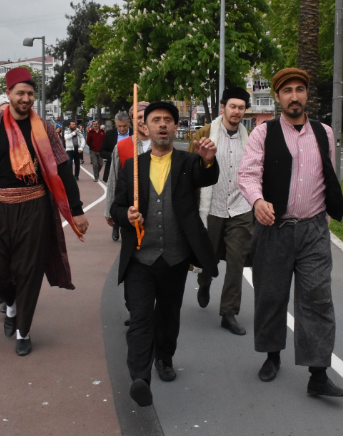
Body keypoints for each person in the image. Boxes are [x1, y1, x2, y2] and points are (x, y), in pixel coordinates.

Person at [0, 67, 89, 356]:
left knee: (28, 270)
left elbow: (63, 168)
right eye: (20, 93)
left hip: (34, 208)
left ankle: (23, 330)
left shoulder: (46, 130)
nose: (26, 98)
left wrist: (76, 209)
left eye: (30, 93)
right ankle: (11, 304)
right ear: (9, 94)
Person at [238, 67, 343, 397]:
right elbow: (248, 174)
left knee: (317, 298)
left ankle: (318, 373)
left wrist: (324, 217)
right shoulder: (262, 133)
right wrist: (257, 201)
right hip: (275, 229)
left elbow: (328, 173)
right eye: (288, 91)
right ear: (278, 97)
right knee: (271, 294)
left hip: (313, 229)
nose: (295, 96)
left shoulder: (323, 133)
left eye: (300, 89)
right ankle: (272, 357)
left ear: (306, 95)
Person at [110, 101, 219, 407]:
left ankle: (165, 357)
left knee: (169, 314)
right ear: (145, 126)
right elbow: (117, 208)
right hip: (140, 258)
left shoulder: (187, 162)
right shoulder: (133, 166)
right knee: (141, 317)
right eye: (155, 120)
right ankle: (140, 378)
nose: (161, 125)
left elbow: (206, 176)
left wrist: (208, 161)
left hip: (175, 256)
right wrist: (126, 215)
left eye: (167, 120)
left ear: (174, 127)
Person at [188, 87, 254, 336]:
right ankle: (204, 282)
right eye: (232, 106)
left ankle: (229, 312)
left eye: (241, 107)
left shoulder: (252, 139)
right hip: (211, 207)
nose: (236, 112)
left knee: (236, 261)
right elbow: (192, 174)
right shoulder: (205, 134)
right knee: (209, 258)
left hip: (240, 208)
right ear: (223, 108)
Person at [105, 103, 149, 242]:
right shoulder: (121, 147)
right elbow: (113, 179)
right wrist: (109, 210)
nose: (143, 120)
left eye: (147, 116)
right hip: (131, 210)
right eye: (139, 117)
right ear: (132, 120)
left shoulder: (162, 144)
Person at [101, 110, 133, 182]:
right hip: (113, 170)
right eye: (119, 126)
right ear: (116, 123)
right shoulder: (109, 134)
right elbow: (102, 152)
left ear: (129, 122)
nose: (122, 129)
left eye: (124, 126)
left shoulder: (135, 133)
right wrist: (113, 155)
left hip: (131, 170)